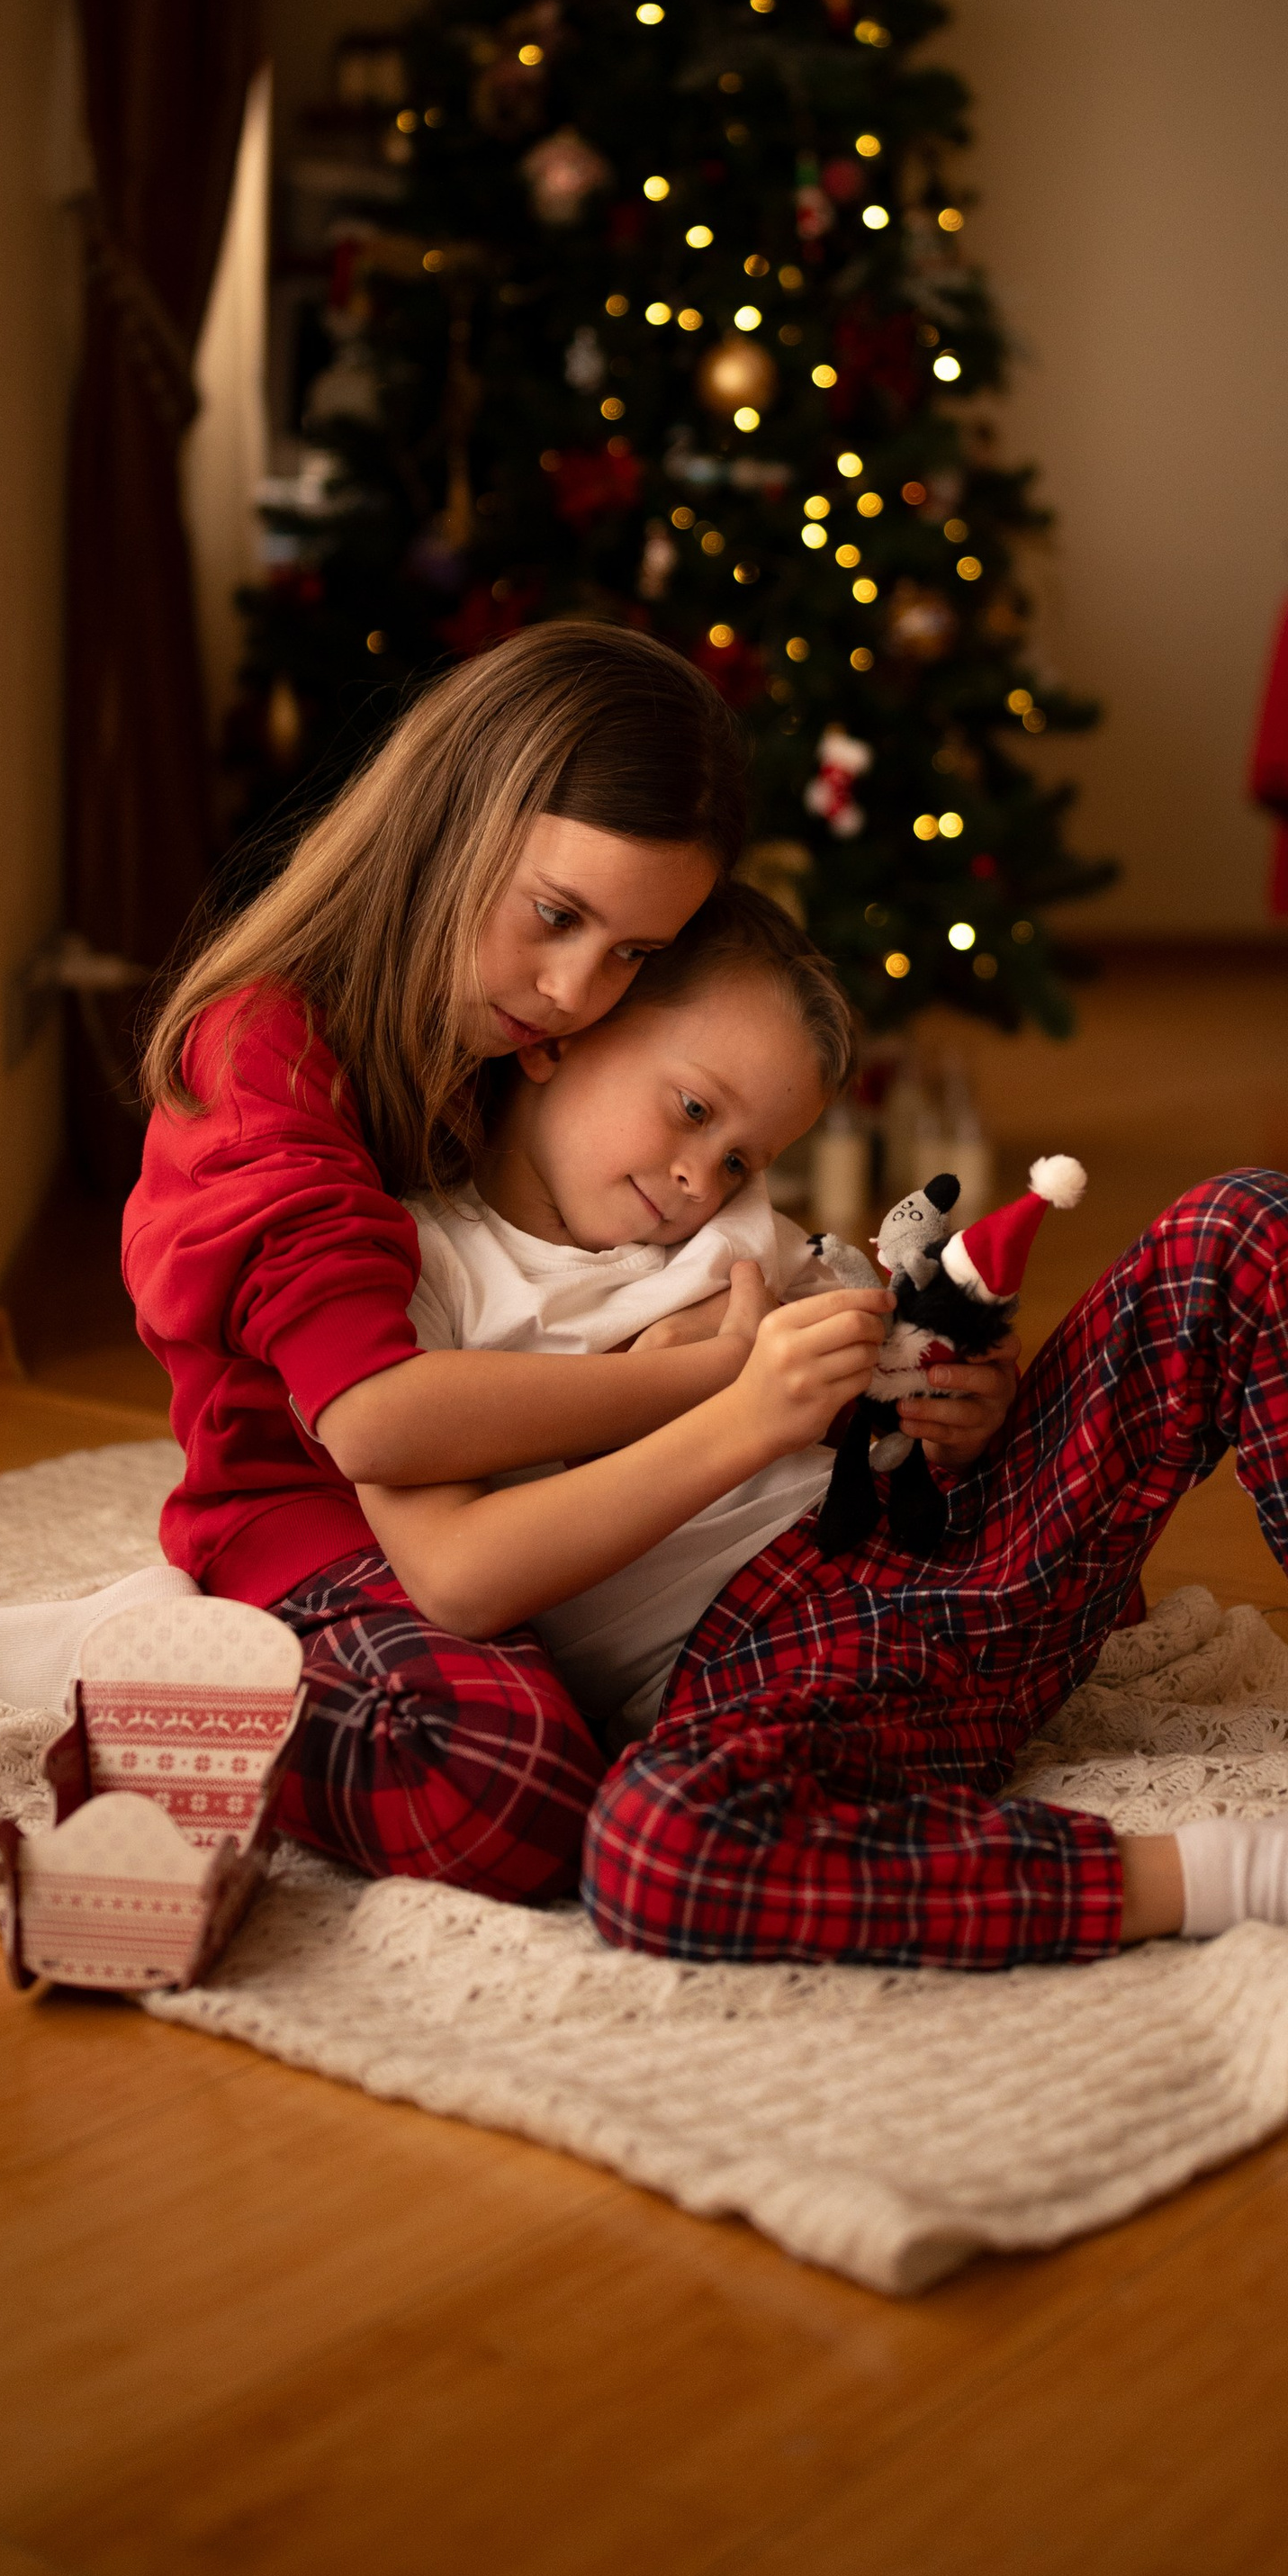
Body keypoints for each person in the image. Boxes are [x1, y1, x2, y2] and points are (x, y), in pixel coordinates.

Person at [338, 887, 1288, 1988]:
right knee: (655, 1848)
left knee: (1244, 1227)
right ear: (561, 1039)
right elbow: (466, 1569)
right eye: (692, 1109)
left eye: (741, 1155)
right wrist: (726, 1410)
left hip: (971, 1567)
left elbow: (904, 1387)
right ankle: (1238, 1874)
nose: (699, 1178)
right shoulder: (433, 1269)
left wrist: (968, 1411)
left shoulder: (740, 1238)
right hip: (782, 1677)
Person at [116, 622, 767, 1906]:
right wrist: (709, 1385)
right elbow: (372, 1422)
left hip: (517, 1497)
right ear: (448, 826)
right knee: (508, 1797)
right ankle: (153, 1672)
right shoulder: (262, 1052)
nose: (576, 989)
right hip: (311, 1521)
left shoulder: (528, 1034)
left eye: (633, 954)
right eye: (557, 917)